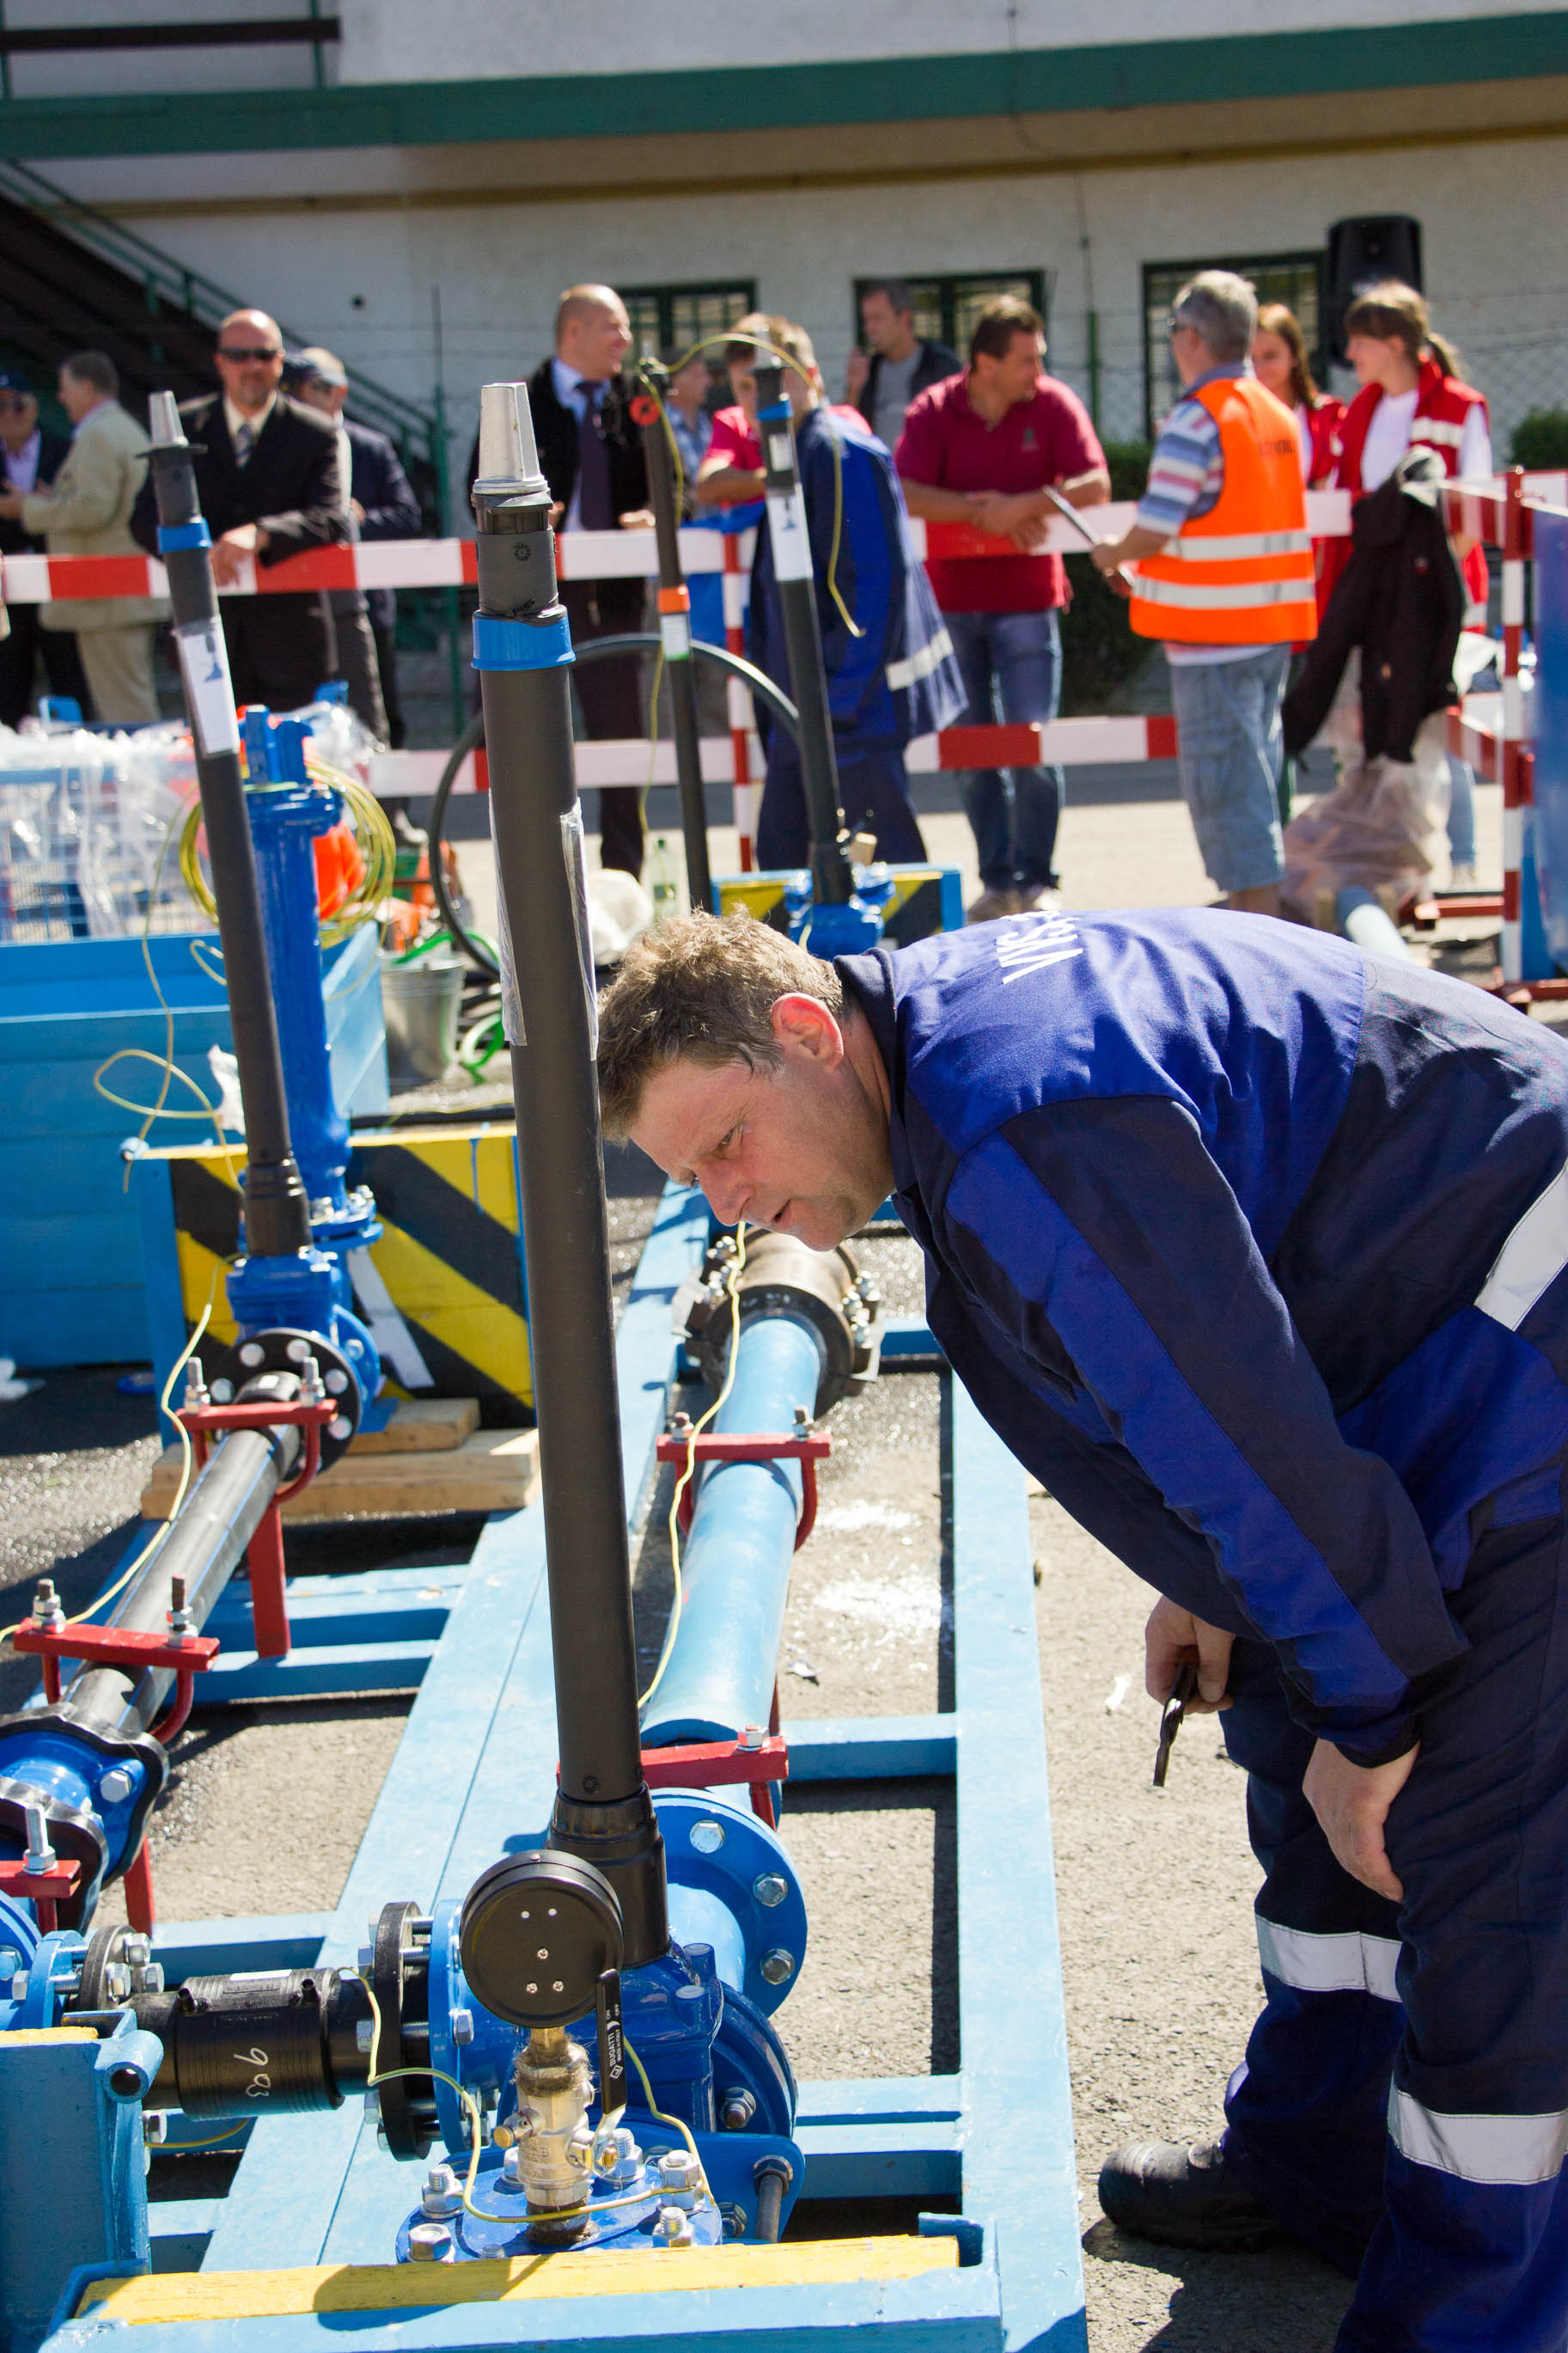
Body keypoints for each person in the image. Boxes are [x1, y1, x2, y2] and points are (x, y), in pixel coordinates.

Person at [600, 901, 1568, 2353]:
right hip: (1415, 1336)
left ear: (805, 1032)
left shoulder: (1022, 1122)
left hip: (1525, 1359)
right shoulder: (938, 1067)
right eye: (692, 1176)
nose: (729, 1199)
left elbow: (1241, 1433)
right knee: (1296, 1708)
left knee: (1475, 1857)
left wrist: (1379, 1721)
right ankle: (1327, 2163)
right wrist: (1214, 1582)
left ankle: (1472, 2322)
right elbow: (1199, 1366)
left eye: (728, 1141)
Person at [1089, 271, 1315, 920]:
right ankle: (1260, 925)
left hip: (1212, 642)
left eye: (1172, 331)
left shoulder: (1196, 419)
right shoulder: (1275, 413)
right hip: (1268, 631)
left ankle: (1258, 936)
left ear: (1191, 339)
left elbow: (1158, 525)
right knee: (1255, 778)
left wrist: (1112, 552)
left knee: (1229, 793)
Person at [894, 296, 1109, 921]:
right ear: (985, 364)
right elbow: (902, 489)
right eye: (1025, 360)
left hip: (1028, 600)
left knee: (1033, 744)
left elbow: (1096, 483)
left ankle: (1036, 879)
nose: (1038, 372)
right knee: (971, 754)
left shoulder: (1052, 403)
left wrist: (1023, 505)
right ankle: (997, 880)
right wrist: (979, 511)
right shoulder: (933, 409)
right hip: (952, 605)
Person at [738, 317, 963, 871]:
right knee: (790, 864)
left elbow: (874, 586)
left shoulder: (840, 454)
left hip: (847, 714)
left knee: (881, 874)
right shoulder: (800, 454)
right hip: (811, 710)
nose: (758, 398)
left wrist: (836, 705)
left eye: (774, 380)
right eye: (745, 387)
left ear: (811, 376)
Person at [1330, 283, 1492, 890]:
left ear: (1394, 343)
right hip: (1376, 598)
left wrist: (1425, 581)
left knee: (1437, 721)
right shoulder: (1360, 411)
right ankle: (1396, 870)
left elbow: (1474, 510)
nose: (1350, 354)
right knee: (1378, 729)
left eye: (1360, 341)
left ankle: (1463, 861)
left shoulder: (1460, 407)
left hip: (1436, 597)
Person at [503, 284, 653, 877]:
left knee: (621, 744)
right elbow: (477, 490)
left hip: (614, 601)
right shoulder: (519, 402)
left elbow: (674, 484)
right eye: (613, 326)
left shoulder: (636, 400)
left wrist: (656, 512)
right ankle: (538, 879)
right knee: (531, 743)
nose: (626, 340)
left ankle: (624, 880)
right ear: (573, 332)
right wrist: (521, 514)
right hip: (532, 603)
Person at [131, 308, 347, 713]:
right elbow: (144, 520)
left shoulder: (315, 432)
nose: (252, 366)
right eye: (238, 356)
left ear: (280, 362)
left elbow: (331, 518)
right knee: (216, 752)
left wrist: (261, 534)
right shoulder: (183, 428)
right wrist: (198, 561)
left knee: (298, 751)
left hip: (292, 644)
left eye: (263, 355)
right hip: (206, 636)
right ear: (220, 362)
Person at [0, 352, 166, 728]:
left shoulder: (100, 434)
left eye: (65, 388)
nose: (60, 397)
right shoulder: (114, 428)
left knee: (126, 714)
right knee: (124, 706)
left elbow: (93, 509)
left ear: (87, 388)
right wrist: (54, 501)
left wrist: (27, 508)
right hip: (113, 596)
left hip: (110, 598)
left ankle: (143, 769)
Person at [287, 345, 416, 744]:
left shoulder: (369, 447)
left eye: (307, 387)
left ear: (338, 393)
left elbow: (407, 516)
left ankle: (388, 785)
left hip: (367, 605)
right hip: (302, 607)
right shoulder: (283, 446)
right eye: (288, 388)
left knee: (378, 713)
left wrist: (355, 522)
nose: (295, 398)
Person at [0, 368, 92, 725]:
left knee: (70, 679)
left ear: (34, 408)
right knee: (8, 687)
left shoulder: (66, 451)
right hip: (7, 589)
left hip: (60, 582)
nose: (9, 415)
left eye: (17, 406)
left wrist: (43, 504)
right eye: (0, 407)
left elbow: (83, 509)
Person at [845, 279, 958, 451]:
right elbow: (844, 431)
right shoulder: (869, 372)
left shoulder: (942, 366)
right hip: (880, 468)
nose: (869, 328)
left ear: (904, 318)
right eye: (866, 320)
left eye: (877, 318)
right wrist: (854, 390)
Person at [663, 350, 714, 496]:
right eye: (699, 376)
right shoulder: (658, 425)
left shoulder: (708, 421)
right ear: (675, 382)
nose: (708, 382)